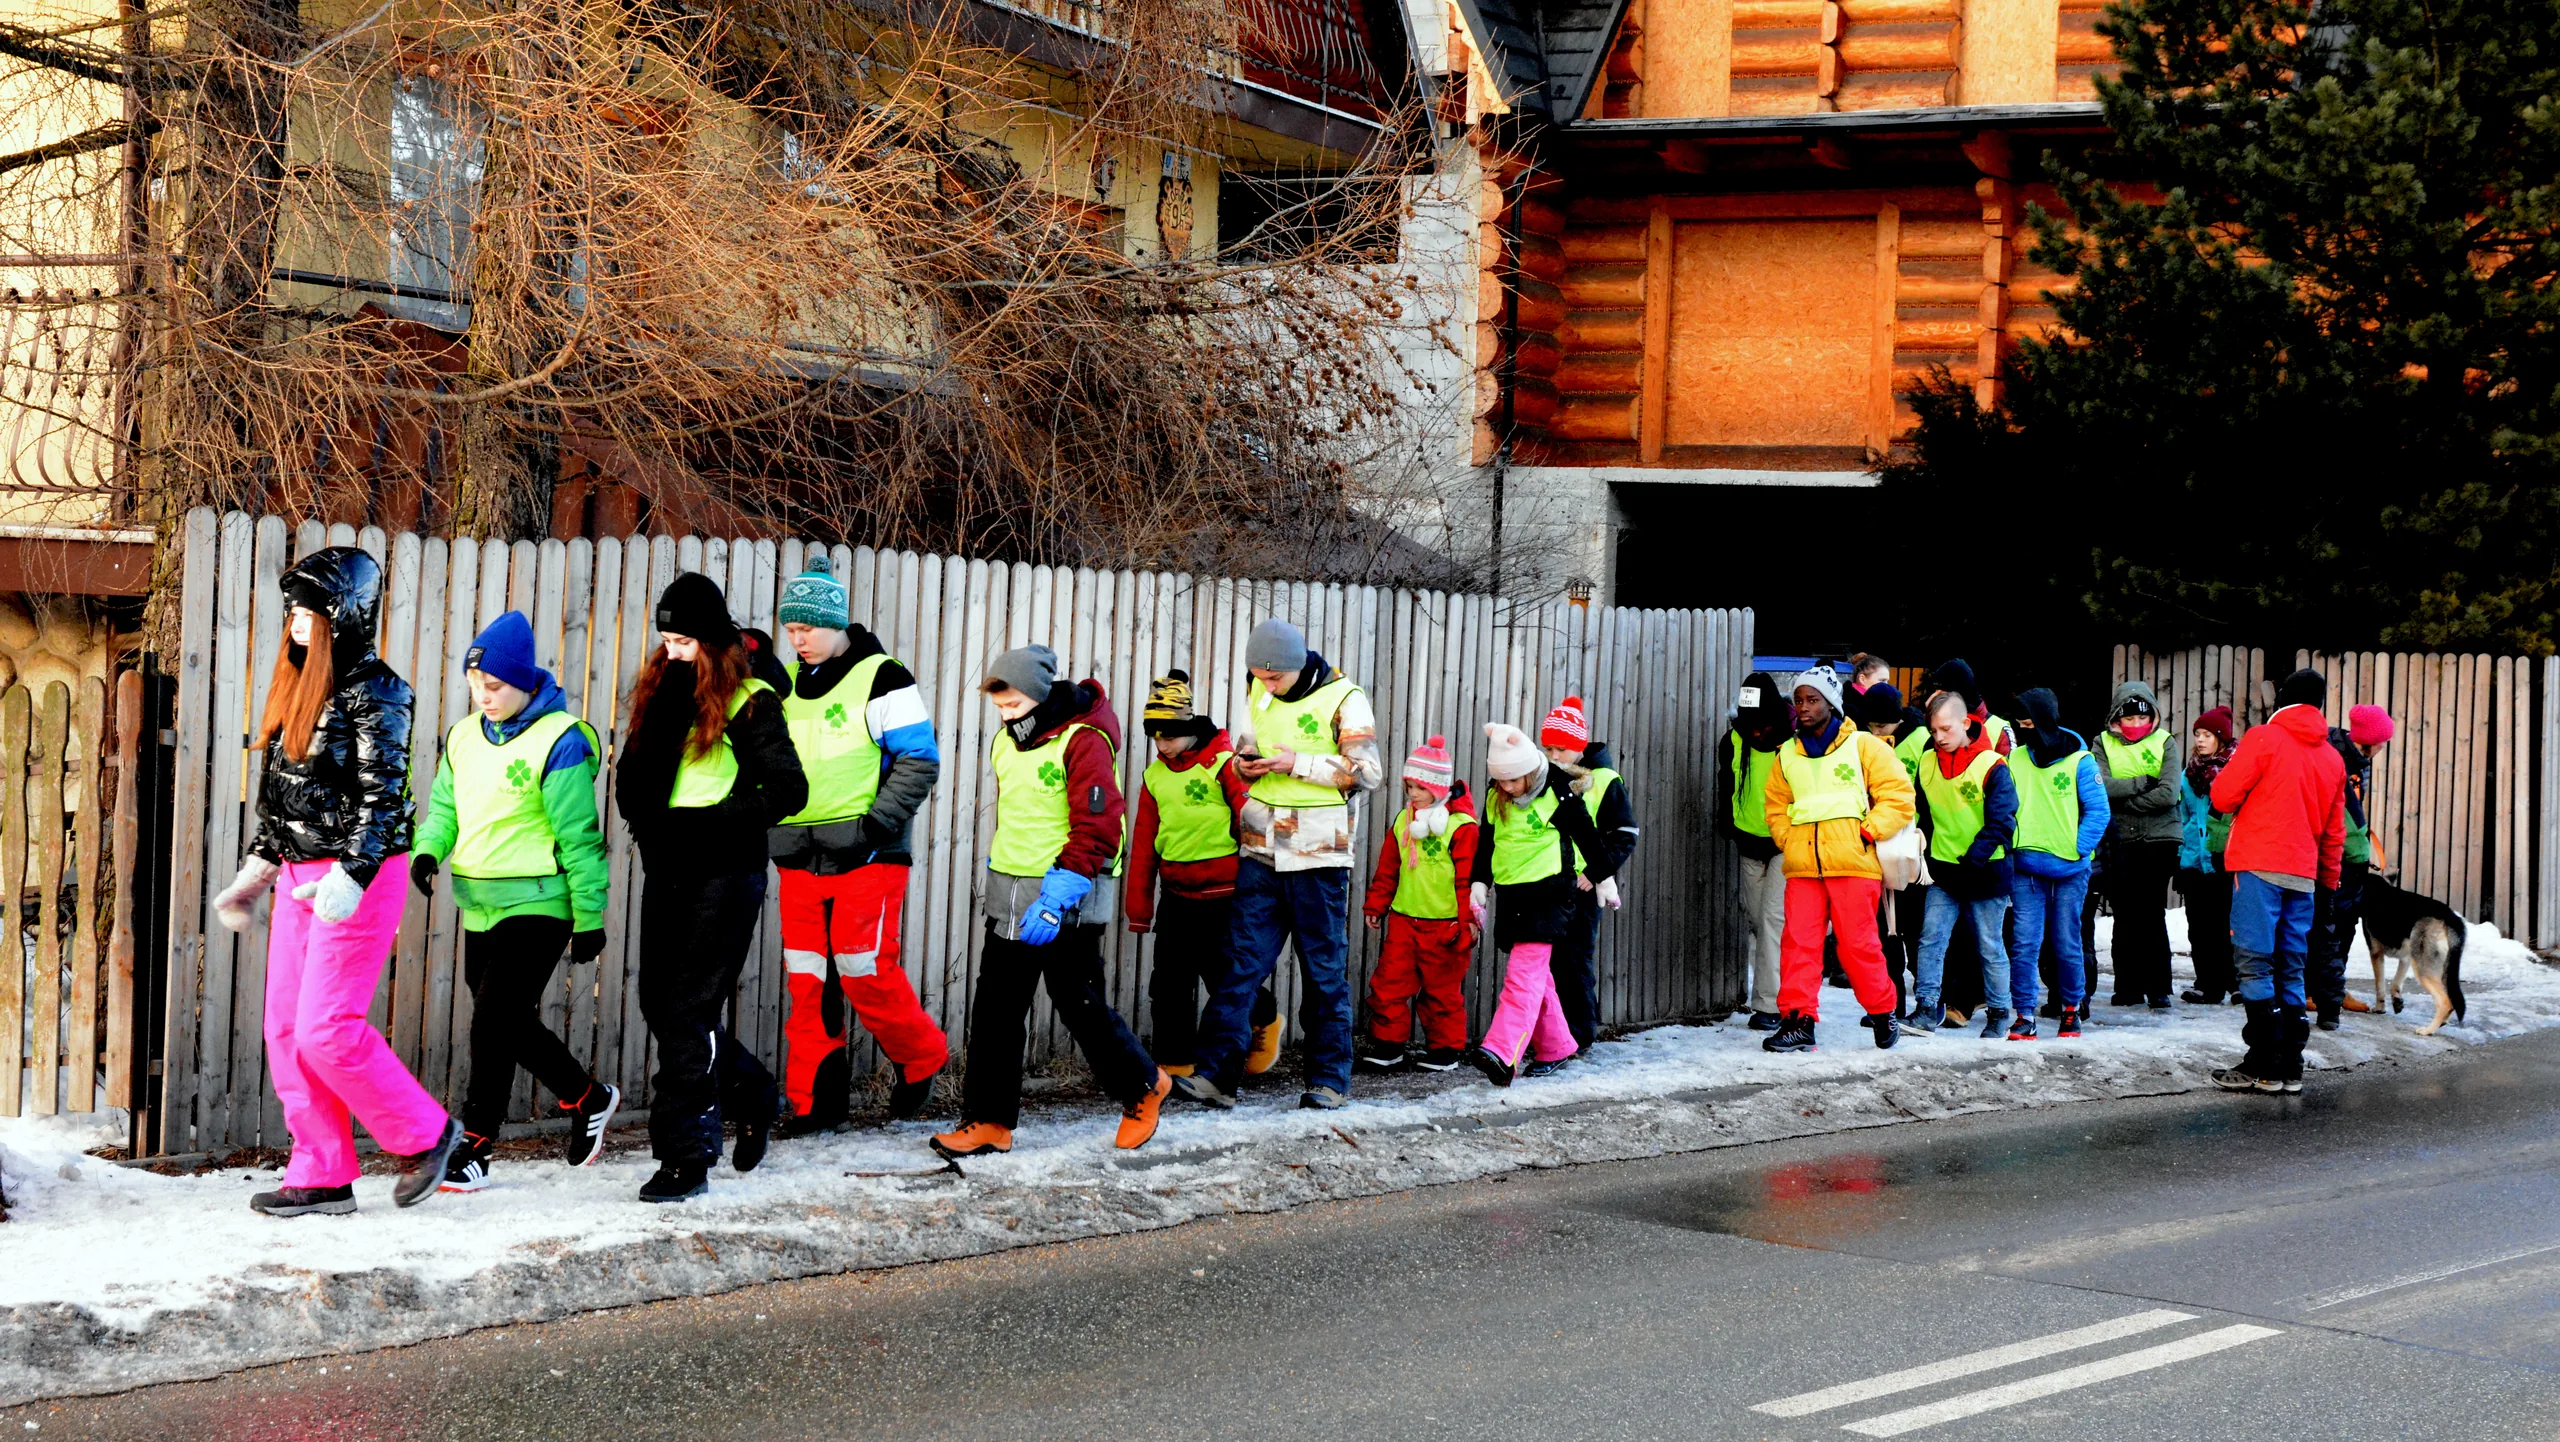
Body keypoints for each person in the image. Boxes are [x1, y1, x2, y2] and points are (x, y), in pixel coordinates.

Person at [207, 547, 462, 1216]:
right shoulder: (298, 690)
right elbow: (285, 799)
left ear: (342, 618)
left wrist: (351, 873)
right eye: (292, 612)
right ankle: (320, 1171)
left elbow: (386, 798)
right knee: (286, 1030)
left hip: (360, 875)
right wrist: (256, 873)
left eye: (310, 613)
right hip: (298, 875)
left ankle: (427, 1135)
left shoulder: (380, 691)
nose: (296, 624)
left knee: (326, 1027)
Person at [933, 646, 1169, 1157]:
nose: (1005, 715)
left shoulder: (1083, 742)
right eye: (999, 707)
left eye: (1014, 705)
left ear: (1039, 697)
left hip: (1068, 895)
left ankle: (1144, 1084)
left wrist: (1057, 895)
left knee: (1077, 1002)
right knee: (995, 1006)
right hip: (1013, 897)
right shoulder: (1006, 743)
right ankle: (989, 1121)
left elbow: (1100, 825)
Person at [410, 610, 616, 1192]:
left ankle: (476, 1143)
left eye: (495, 687)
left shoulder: (560, 740)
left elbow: (579, 837)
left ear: (525, 682)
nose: (483, 697)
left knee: (492, 1021)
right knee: (507, 1021)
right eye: (476, 686)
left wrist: (589, 917)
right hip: (480, 901)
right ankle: (587, 1097)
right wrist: (428, 852)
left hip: (541, 902)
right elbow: (446, 808)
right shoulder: (464, 737)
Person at [616, 573, 807, 1202]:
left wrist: (708, 823)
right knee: (657, 1004)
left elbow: (787, 789)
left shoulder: (750, 699)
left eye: (684, 642)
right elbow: (634, 771)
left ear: (714, 641)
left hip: (725, 870)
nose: (672, 652)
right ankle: (752, 1090)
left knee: (686, 1012)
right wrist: (642, 812)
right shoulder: (660, 692)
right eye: (667, 639)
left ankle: (686, 1159)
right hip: (668, 865)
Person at [766, 564, 949, 1137]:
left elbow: (919, 760)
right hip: (798, 854)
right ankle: (816, 1103)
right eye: (790, 628)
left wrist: (875, 828)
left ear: (837, 622)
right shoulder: (783, 685)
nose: (798, 639)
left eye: (808, 628)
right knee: (808, 979)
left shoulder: (882, 676)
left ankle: (920, 1058)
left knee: (863, 967)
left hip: (868, 854)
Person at [1172, 619, 1383, 1112]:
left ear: (1296, 666)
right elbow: (1252, 742)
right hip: (1261, 849)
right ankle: (1215, 1077)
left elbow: (1367, 773)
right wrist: (1245, 762)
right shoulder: (1258, 687)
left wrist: (1298, 764)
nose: (1265, 687)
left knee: (1323, 970)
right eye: (1258, 678)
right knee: (1240, 966)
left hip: (1318, 855)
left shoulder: (1344, 698)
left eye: (1274, 680)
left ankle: (1329, 1080)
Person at [1758, 665, 1916, 1053]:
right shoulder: (1786, 756)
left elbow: (1899, 796)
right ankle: (1798, 1021)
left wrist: (1866, 832)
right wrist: (1788, 839)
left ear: (1831, 703)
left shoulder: (1865, 747)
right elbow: (1775, 806)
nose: (1804, 708)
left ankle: (1883, 1011)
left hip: (1853, 865)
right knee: (1798, 944)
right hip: (1804, 867)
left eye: (1812, 700)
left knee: (1858, 946)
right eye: (1798, 700)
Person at [1123, 670, 1272, 1075]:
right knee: (1169, 983)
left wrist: (1264, 884)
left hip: (1225, 896)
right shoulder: (1154, 777)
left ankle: (1262, 1017)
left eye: (1168, 735)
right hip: (1176, 897)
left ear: (1189, 728)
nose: (1161, 744)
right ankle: (1174, 1063)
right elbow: (1144, 843)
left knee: (1225, 976)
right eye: (1154, 736)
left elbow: (1250, 820)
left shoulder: (1225, 764)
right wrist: (1139, 907)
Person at [2209, 668, 2347, 1095]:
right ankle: (2290, 1066)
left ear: (2283, 699)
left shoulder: (2264, 739)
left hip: (2258, 866)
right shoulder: (2333, 758)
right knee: (2291, 966)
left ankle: (2264, 1063)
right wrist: (2326, 883)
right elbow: (2334, 832)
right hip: (2304, 875)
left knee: (2254, 961)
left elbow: (2222, 796)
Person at [1465, 722, 1619, 1085]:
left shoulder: (1559, 793)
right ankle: (1557, 1046)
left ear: (1530, 770)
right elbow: (1488, 842)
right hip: (1514, 895)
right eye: (1501, 780)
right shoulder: (1495, 796)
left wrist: (1603, 876)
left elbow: (1588, 837)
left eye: (1513, 780)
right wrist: (1479, 883)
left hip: (1551, 894)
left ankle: (1503, 1052)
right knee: (1538, 978)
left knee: (1522, 976)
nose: (1507, 787)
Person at [1357, 734, 1480, 1072]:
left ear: (1438, 789)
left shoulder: (1461, 827)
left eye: (1420, 788)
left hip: (1445, 925)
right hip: (1403, 920)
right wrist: (1376, 905)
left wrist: (1467, 921)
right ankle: (1388, 1045)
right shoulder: (1403, 821)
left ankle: (1445, 1049)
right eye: (1409, 785)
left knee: (1441, 991)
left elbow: (1467, 881)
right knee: (1389, 983)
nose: (1412, 793)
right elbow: (1389, 867)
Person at [1905, 689, 2016, 1034]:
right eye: (1933, 731)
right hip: (1943, 869)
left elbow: (2003, 820)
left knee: (1989, 945)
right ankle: (1926, 1008)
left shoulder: (1991, 765)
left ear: (1966, 723)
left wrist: (1974, 858)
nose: (1939, 737)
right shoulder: (1926, 762)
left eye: (1946, 729)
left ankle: (1999, 1013)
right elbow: (1920, 811)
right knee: (1931, 938)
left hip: (1985, 871)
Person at [2005, 689, 2110, 1039]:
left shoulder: (2080, 760)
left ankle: (2071, 1008)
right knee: (2024, 944)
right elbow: (2003, 804)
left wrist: (2076, 848)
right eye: (2020, 725)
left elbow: (2099, 812)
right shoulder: (2015, 758)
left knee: (2066, 941)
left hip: (2070, 871)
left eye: (2030, 724)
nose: (2024, 731)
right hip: (2026, 867)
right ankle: (2023, 1013)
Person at [1540, 694, 1638, 1054]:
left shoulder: (1606, 780)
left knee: (1575, 960)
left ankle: (1579, 1036)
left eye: (1560, 749)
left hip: (1582, 887)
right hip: (1550, 882)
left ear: (1578, 748)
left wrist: (1596, 872)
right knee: (1548, 961)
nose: (1553, 756)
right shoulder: (1548, 779)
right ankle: (1553, 1035)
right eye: (1547, 748)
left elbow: (1625, 835)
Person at [2093, 681, 2184, 1010]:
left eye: (2141, 720)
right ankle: (2127, 986)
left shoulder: (2165, 742)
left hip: (2159, 840)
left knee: (2151, 913)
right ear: (2117, 718)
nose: (2135, 726)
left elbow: (2169, 793)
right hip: (2121, 840)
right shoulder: (2101, 743)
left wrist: (2125, 800)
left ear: (2152, 718)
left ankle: (2159, 987)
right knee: (2126, 915)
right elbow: (2100, 785)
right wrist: (2141, 783)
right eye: (2128, 720)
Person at [1719, 672, 1791, 1030]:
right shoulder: (1733, 739)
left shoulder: (1794, 742)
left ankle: (1770, 1005)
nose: (1756, 731)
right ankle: (1780, 994)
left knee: (1771, 921)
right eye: (1750, 724)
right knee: (1757, 920)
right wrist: (1728, 826)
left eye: (1761, 724)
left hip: (1785, 842)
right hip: (1748, 841)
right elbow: (1725, 785)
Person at [2318, 705, 2393, 1028]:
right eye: (2381, 742)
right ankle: (2316, 990)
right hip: (2331, 853)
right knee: (2327, 922)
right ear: (2368, 740)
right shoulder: (2335, 757)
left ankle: (2335, 988)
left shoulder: (2360, 761)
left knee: (2346, 921)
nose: (2382, 748)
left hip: (2352, 854)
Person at [1851, 684, 1920, 1010]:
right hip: (1872, 843)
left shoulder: (1920, 741)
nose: (1876, 732)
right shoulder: (1861, 744)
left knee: (1914, 930)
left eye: (1883, 726)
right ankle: (1892, 1004)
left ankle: (1928, 1000)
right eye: (1872, 726)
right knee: (1884, 931)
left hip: (1909, 846)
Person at [2177, 707, 2239, 1005]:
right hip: (2194, 860)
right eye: (2197, 735)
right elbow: (2183, 817)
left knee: (2228, 925)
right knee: (2199, 927)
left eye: (2207, 735)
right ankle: (2208, 984)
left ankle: (2237, 982)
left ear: (2221, 739)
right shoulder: (2188, 775)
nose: (2200, 741)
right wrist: (2181, 858)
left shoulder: (2236, 771)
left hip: (2226, 860)